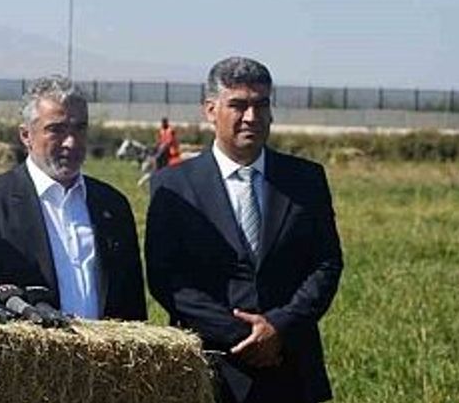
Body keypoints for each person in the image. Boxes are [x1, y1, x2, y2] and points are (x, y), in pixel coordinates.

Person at [146, 57, 343, 403]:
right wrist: (245, 335)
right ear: (210, 110)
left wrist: (279, 326)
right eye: (238, 105)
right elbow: (168, 279)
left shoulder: (305, 180)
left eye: (261, 104)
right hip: (211, 369)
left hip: (292, 368)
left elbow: (326, 264)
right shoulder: (173, 186)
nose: (251, 117)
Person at [0, 75, 147, 320]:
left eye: (80, 128)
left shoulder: (111, 205)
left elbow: (132, 305)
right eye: (56, 130)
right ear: (26, 135)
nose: (71, 142)